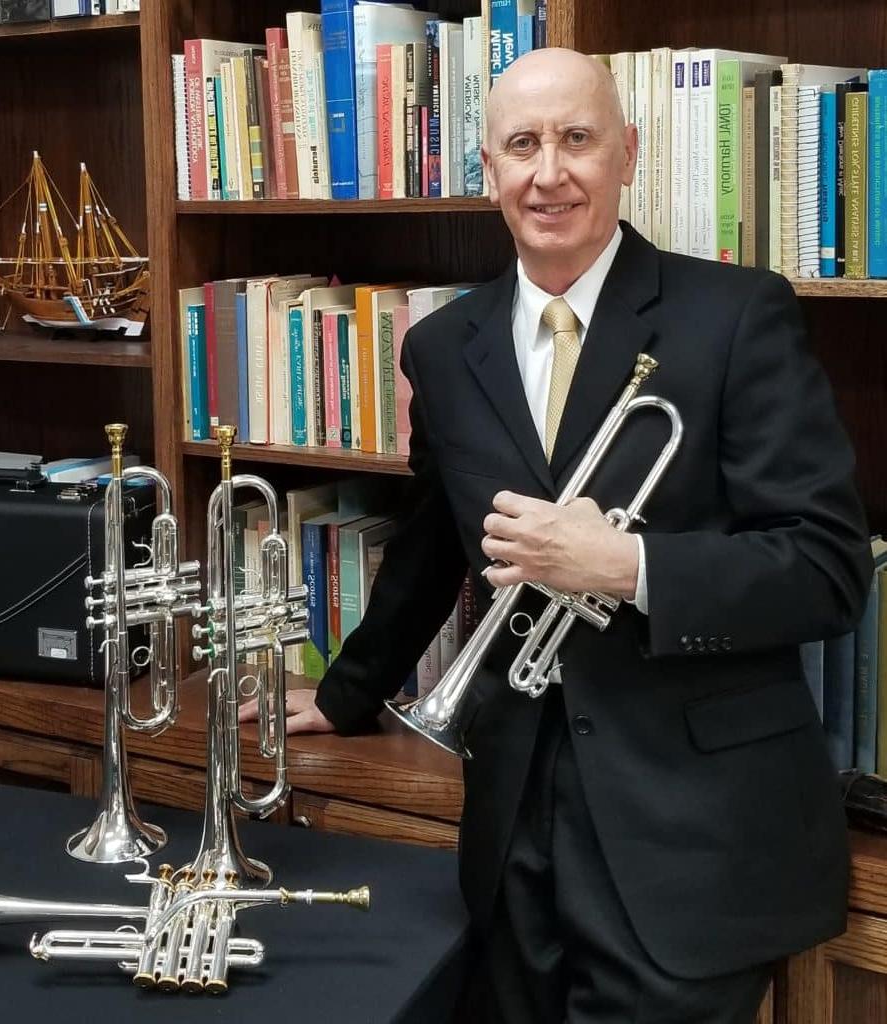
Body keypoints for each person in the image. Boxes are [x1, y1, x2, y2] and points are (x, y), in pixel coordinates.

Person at [241, 48, 873, 1023]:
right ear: (487, 169)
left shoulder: (734, 315)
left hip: (692, 832)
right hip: (514, 817)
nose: (549, 172)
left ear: (625, 152)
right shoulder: (445, 349)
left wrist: (626, 564)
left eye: (576, 139)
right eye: (522, 145)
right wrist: (347, 686)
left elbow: (828, 571)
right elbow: (432, 542)